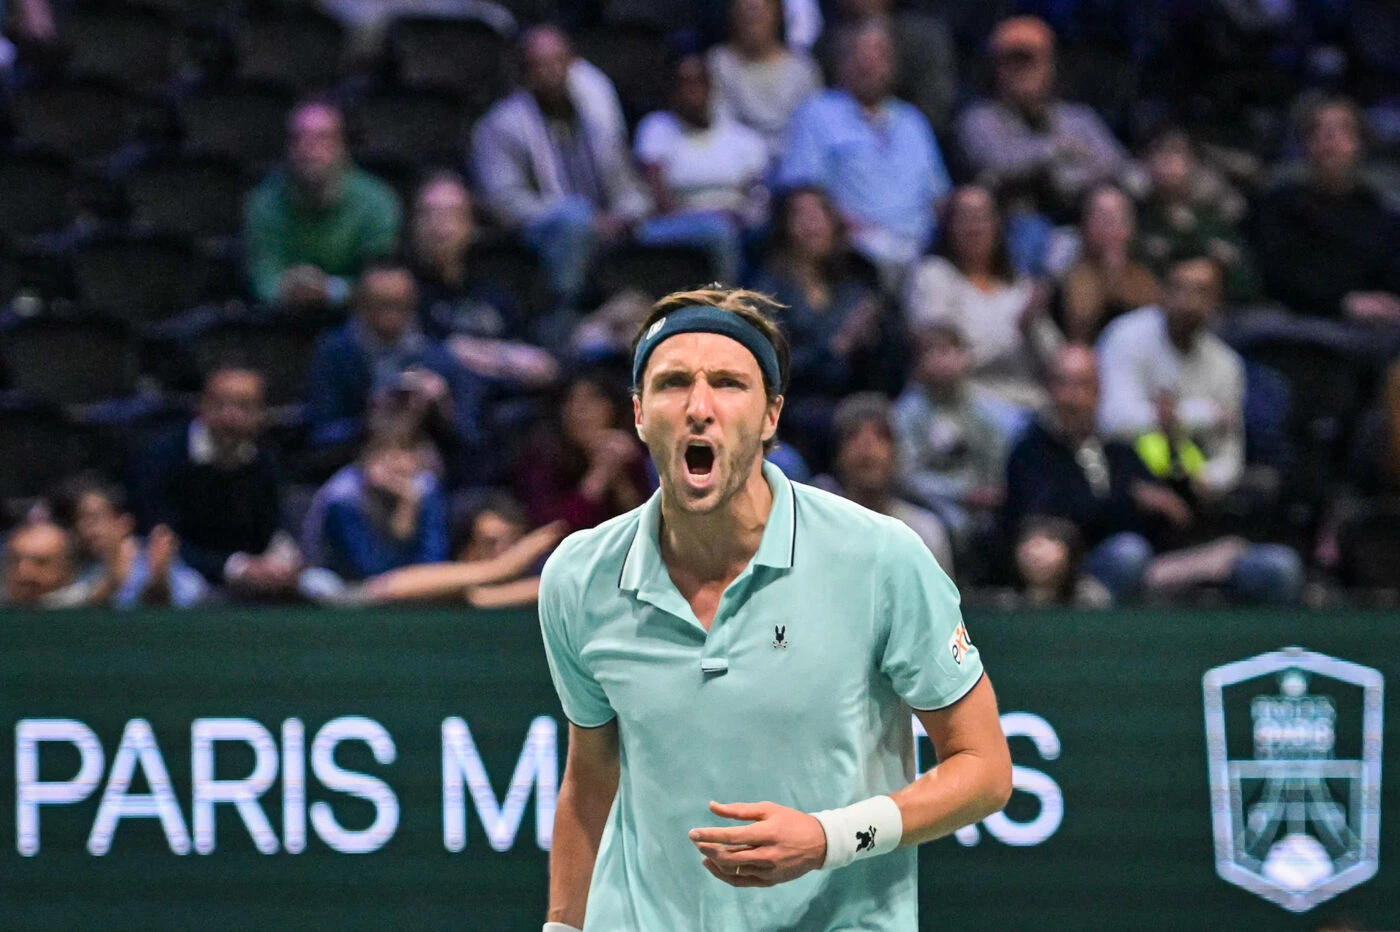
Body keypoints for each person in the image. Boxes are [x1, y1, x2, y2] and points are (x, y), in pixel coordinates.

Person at [538, 286, 1011, 931]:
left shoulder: (881, 558)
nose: (699, 407)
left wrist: (829, 837)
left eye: (729, 383)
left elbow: (985, 770)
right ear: (641, 414)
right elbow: (589, 783)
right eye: (674, 383)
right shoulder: (578, 577)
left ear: (770, 416)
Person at [1003, 345, 1302, 604]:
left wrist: (1173, 445)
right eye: (1062, 384)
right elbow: (1049, 523)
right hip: (1088, 572)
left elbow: (1178, 514)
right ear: (1048, 389)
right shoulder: (1031, 453)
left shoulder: (1121, 451)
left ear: (1098, 392)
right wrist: (1131, 499)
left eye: (1082, 386)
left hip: (1164, 564)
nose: (1072, 398)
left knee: (1277, 565)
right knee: (1128, 553)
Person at [472, 24, 650, 307]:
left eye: (558, 62)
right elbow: (504, 203)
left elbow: (625, 183)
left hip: (606, 224)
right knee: (575, 221)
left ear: (572, 64)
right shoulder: (501, 125)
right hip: (540, 232)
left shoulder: (595, 117)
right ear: (524, 73)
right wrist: (584, 218)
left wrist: (626, 214)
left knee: (706, 232)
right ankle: (562, 317)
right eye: (539, 65)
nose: (550, 72)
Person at [777, 20, 952, 282]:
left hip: (921, 250)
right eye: (858, 55)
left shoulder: (912, 120)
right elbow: (803, 189)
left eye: (879, 55)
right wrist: (844, 228)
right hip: (854, 249)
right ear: (841, 63)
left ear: (893, 65)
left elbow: (939, 196)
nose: (868, 64)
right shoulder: (818, 112)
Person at [957, 15, 1132, 273]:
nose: (1020, 73)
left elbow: (1118, 166)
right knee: (1031, 229)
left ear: (1049, 66)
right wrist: (1056, 154)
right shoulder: (979, 119)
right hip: (1014, 230)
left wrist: (1069, 177)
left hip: (1079, 225)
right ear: (995, 69)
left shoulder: (1079, 118)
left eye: (1029, 62)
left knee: (1111, 204)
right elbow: (997, 162)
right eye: (1010, 63)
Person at [131, 365, 302, 600]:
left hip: (251, 569)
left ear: (262, 414)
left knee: (320, 584)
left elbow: (274, 529)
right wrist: (235, 567)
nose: (230, 417)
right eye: (220, 404)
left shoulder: (265, 460)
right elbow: (160, 537)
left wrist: (279, 563)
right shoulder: (161, 457)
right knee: (188, 590)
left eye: (244, 407)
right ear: (201, 406)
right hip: (183, 568)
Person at [305, 260, 489, 478]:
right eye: (380, 304)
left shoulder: (437, 356)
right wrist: (368, 421)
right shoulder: (335, 352)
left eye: (399, 304)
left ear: (413, 304)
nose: (390, 315)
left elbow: (472, 438)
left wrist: (443, 408)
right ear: (360, 304)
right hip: (355, 468)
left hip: (430, 470)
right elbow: (319, 436)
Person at [749, 186, 891, 468]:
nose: (812, 223)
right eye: (801, 215)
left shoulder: (854, 285)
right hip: (798, 404)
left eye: (820, 213)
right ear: (784, 227)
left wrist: (874, 339)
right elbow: (773, 368)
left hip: (854, 397)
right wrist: (835, 347)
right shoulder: (768, 291)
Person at [904, 184, 1059, 429]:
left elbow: (1056, 364)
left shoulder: (1020, 288)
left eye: (982, 217)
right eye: (965, 218)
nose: (974, 227)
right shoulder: (934, 276)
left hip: (1031, 404)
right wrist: (1016, 329)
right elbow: (942, 361)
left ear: (998, 225)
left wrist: (1033, 325)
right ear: (949, 227)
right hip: (967, 406)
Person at [1097, 254, 1246, 501]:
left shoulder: (1227, 365)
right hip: (1124, 483)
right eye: (1179, 288)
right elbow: (1111, 420)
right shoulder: (1125, 336)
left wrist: (1207, 481)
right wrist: (1204, 414)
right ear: (1160, 291)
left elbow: (1230, 456)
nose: (1188, 302)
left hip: (1195, 491)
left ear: (1217, 301)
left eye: (1201, 291)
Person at [1252, 96, 1400, 325]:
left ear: (1360, 144)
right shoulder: (1278, 204)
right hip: (1296, 321)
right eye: (1318, 130)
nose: (1330, 139)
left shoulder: (1379, 212)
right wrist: (1342, 301)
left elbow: (1388, 272)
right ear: (1305, 145)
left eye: (1343, 129)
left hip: (1369, 329)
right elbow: (1277, 275)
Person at [244, 98, 402, 308]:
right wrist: (288, 288)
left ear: (343, 147)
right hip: (282, 320)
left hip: (355, 320)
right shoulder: (263, 203)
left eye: (322, 138)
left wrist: (329, 289)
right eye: (298, 139)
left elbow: (379, 285)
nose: (309, 149)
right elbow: (264, 281)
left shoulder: (377, 202)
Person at [407, 173, 559, 389]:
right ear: (413, 224)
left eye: (452, 215)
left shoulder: (496, 293)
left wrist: (481, 353)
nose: (439, 226)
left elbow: (539, 362)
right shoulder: (402, 292)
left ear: (470, 226)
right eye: (429, 214)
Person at [634, 50, 769, 285]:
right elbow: (659, 200)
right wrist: (711, 218)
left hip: (737, 224)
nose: (692, 90)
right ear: (671, 90)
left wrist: (742, 216)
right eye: (684, 83)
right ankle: (726, 303)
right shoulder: (657, 129)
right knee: (718, 231)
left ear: (712, 87)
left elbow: (757, 198)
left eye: (699, 82)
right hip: (674, 226)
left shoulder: (742, 139)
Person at [813, 392, 954, 576]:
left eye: (881, 436)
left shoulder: (924, 533)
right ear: (837, 455)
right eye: (853, 435)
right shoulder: (816, 529)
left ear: (897, 455)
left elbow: (939, 603)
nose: (867, 447)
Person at [892, 323, 1008, 546]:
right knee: (949, 527)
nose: (940, 361)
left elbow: (995, 462)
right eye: (930, 352)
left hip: (979, 503)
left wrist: (990, 491)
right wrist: (962, 493)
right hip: (927, 502)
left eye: (947, 351)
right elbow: (906, 477)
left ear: (965, 357)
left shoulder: (982, 412)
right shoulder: (907, 413)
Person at [302, 431, 450, 582]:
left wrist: (407, 506)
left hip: (409, 583)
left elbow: (433, 559)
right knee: (314, 581)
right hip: (346, 583)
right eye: (390, 456)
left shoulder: (422, 488)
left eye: (407, 453)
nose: (402, 464)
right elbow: (368, 568)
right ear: (369, 460)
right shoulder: (344, 495)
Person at [514, 369, 650, 531]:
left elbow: (646, 527)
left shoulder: (634, 451)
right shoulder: (541, 457)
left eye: (592, 400)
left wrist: (620, 477)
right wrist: (598, 477)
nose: (578, 410)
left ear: (613, 407)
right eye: (570, 401)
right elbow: (550, 532)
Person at [1135, 127, 1259, 303]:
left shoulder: (1213, 220)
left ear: (1193, 164)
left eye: (1177, 153)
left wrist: (1224, 263)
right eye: (1160, 153)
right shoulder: (1133, 216)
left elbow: (1247, 286)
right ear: (1146, 162)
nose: (1168, 162)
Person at [53, 474, 207, 609]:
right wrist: (109, 585)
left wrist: (159, 584)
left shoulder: (153, 557)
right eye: (76, 520)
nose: (84, 529)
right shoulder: (78, 565)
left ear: (124, 522)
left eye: (93, 518)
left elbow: (196, 594)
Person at [813, 0, 957, 132]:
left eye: (879, 52)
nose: (867, 64)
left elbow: (936, 107)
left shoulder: (923, 39)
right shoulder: (824, 46)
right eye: (857, 55)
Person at [707, 0, 822, 160]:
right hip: (737, 162)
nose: (752, 21)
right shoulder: (719, 64)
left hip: (793, 162)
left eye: (760, 14)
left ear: (778, 15)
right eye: (746, 15)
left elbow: (812, 128)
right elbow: (720, 123)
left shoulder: (802, 68)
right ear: (733, 16)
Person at [1053, 182, 1161, 343]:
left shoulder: (1148, 270)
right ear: (1084, 224)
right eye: (1102, 216)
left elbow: (1159, 326)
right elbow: (1079, 334)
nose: (1111, 224)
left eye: (1118, 216)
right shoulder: (1069, 275)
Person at [0, 521, 89, 608]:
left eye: (40, 562)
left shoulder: (89, 605)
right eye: (15, 561)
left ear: (67, 570)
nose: (23, 573)